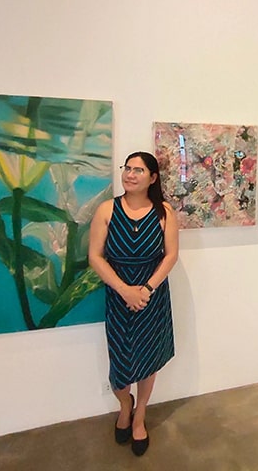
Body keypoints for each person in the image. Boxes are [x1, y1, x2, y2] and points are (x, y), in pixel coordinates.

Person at [88, 151, 178, 457]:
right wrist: (125, 290)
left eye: (138, 170)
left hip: (152, 297)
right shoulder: (107, 210)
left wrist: (147, 289)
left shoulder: (164, 212)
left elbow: (171, 256)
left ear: (152, 178)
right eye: (127, 168)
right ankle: (124, 404)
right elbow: (95, 256)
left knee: (148, 358)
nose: (130, 174)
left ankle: (139, 416)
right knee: (121, 360)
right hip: (118, 296)